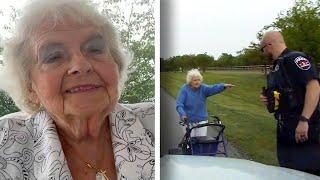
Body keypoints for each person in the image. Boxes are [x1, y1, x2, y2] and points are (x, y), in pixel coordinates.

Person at [0, 0, 154, 179]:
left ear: (116, 66)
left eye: (95, 49)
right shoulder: (5, 141)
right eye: (54, 56)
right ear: (30, 88)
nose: (81, 65)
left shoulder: (153, 120)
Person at [259, 31, 320, 175]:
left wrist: (304, 120)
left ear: (269, 45)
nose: (263, 53)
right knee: (288, 170)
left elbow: (314, 86)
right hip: (285, 126)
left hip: (301, 125)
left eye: (263, 49)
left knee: (307, 170)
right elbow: (283, 93)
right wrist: (268, 98)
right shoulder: (278, 65)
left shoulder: (295, 59)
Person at [176, 69, 234, 137]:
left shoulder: (203, 88)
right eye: (195, 80)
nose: (197, 82)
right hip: (187, 120)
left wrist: (223, 86)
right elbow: (179, 104)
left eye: (199, 80)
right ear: (190, 81)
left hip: (201, 119)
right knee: (190, 142)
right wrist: (183, 114)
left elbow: (213, 88)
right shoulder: (184, 89)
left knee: (201, 141)